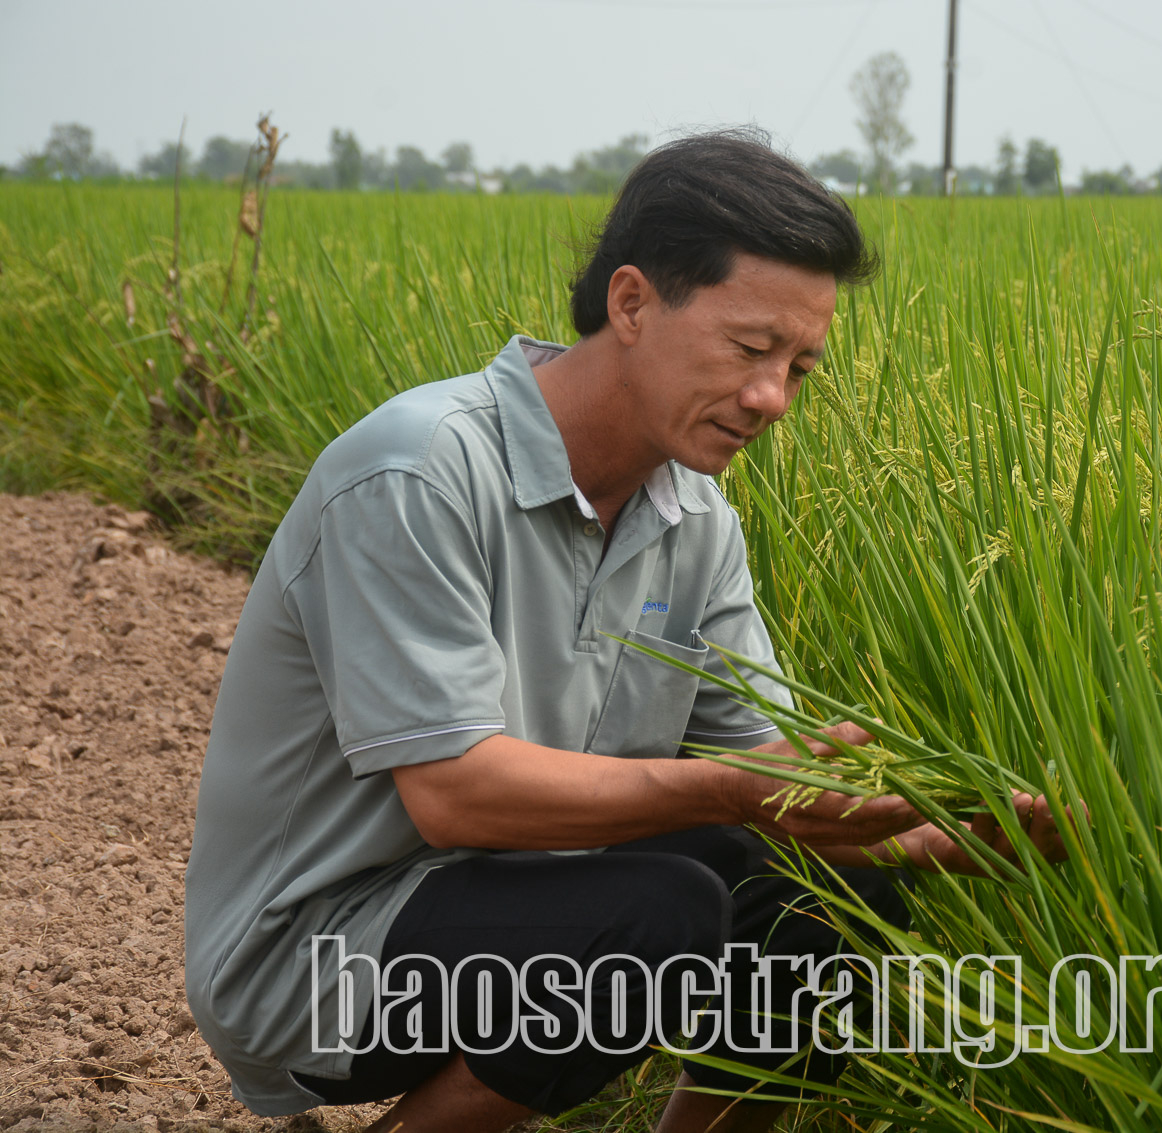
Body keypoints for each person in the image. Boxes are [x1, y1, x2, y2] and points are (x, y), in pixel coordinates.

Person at [184, 130, 1068, 1133]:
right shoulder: (418, 470)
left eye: (798, 368)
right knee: (655, 915)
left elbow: (780, 786)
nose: (771, 397)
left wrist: (935, 836)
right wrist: (735, 790)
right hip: (311, 956)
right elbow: (453, 793)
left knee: (830, 889)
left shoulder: (696, 521)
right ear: (634, 303)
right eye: (749, 349)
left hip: (522, 902)